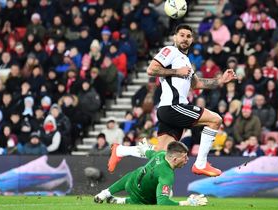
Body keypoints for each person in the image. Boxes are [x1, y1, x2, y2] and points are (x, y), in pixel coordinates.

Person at [108, 24, 236, 177]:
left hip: (170, 109)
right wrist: (176, 72)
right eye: (181, 35)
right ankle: (201, 164)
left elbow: (197, 84)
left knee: (159, 152)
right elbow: (151, 70)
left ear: (192, 40)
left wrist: (221, 80)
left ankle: (121, 150)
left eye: (188, 36)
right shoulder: (170, 51)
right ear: (175, 37)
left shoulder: (186, 61)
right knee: (215, 119)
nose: (185, 39)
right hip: (173, 106)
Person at [94, 141, 208, 206]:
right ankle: (120, 200)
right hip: (142, 198)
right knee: (168, 194)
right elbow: (162, 203)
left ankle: (105, 194)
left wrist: (144, 148)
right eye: (184, 157)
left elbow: (149, 153)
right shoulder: (167, 175)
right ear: (174, 160)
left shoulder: (161, 154)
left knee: (134, 173)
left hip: (130, 184)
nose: (187, 160)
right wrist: (187, 203)